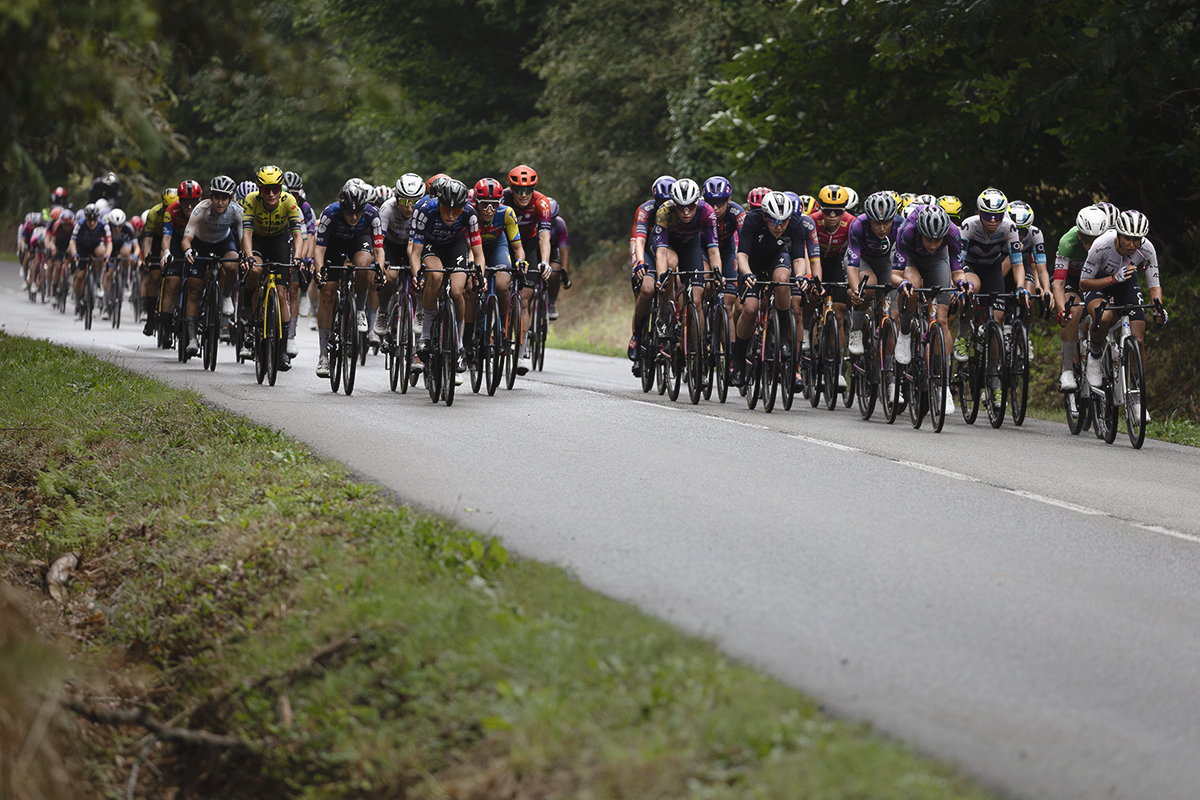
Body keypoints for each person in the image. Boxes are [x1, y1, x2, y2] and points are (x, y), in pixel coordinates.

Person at [1081, 211, 1166, 409]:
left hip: (1127, 282)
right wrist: (1112, 279)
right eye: (1127, 238)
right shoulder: (1101, 245)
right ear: (1118, 235)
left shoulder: (1147, 249)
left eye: (1137, 239)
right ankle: (1094, 355)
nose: (1132, 244)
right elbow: (1084, 283)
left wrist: (1158, 307)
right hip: (1099, 283)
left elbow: (1154, 284)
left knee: (1138, 339)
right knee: (1104, 317)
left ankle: (1137, 397)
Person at [730, 191, 813, 387]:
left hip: (777, 258)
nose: (779, 227)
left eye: (783, 222)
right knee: (749, 309)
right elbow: (741, 254)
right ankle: (739, 362)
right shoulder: (751, 220)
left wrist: (801, 276)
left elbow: (799, 258)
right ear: (765, 216)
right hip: (753, 264)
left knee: (783, 280)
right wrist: (748, 274)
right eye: (774, 221)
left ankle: (783, 337)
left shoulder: (795, 223)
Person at [407, 178, 485, 377]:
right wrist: (417, 275)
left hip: (455, 246)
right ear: (439, 204)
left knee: (458, 291)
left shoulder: (470, 213)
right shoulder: (424, 209)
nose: (451, 215)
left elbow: (478, 254)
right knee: (435, 275)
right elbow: (415, 252)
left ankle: (458, 346)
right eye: (447, 210)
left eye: (456, 211)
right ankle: (425, 336)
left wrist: (480, 276)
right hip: (431, 245)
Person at [315, 181, 387, 378]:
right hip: (334, 245)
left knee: (365, 263)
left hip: (358, 241)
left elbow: (379, 249)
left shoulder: (372, 214)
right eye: (349, 213)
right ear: (341, 207)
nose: (354, 217)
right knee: (328, 294)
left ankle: (360, 309)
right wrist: (319, 270)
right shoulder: (330, 214)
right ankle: (323, 355)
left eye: (358, 213)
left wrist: (379, 268)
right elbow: (319, 249)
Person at [240, 165, 304, 363]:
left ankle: (282, 351)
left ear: (281, 187)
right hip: (258, 240)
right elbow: (247, 233)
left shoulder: (289, 200)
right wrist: (249, 256)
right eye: (265, 189)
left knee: (283, 292)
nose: (270, 193)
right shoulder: (251, 200)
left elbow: (297, 235)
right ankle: (249, 312)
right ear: (259, 187)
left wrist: (298, 257)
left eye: (275, 188)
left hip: (279, 242)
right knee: (255, 270)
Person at [179, 176, 242, 357]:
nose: (220, 202)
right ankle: (192, 338)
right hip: (201, 243)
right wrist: (189, 251)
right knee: (194, 289)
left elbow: (242, 238)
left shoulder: (237, 211)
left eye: (224, 198)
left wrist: (245, 254)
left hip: (224, 241)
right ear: (211, 196)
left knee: (232, 265)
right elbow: (186, 239)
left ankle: (226, 296)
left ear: (231, 198)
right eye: (216, 197)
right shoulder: (200, 210)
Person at [1052, 205, 1108, 391]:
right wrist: (1062, 311)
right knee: (1073, 310)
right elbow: (1058, 284)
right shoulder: (1067, 242)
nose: (1092, 246)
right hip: (1073, 279)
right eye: (1087, 240)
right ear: (1079, 236)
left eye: (1097, 240)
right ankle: (1067, 370)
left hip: (1095, 280)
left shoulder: (1111, 241)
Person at [844, 191, 902, 356]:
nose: (882, 228)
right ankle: (856, 329)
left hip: (886, 263)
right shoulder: (858, 225)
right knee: (868, 285)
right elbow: (853, 264)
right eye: (876, 223)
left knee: (894, 318)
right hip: (862, 260)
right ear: (869, 219)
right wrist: (857, 290)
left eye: (887, 223)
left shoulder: (901, 225)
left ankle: (888, 373)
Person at [628, 176, 676, 372]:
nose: (664, 206)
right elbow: (637, 241)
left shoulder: (682, 211)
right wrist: (638, 261)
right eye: (660, 203)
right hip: (647, 251)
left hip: (670, 251)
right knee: (647, 290)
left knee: (678, 284)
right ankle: (637, 336)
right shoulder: (645, 210)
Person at [67, 204, 112, 318]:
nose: (92, 223)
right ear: (85, 218)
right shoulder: (80, 224)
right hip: (82, 249)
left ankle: (98, 282)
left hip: (96, 247)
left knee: (101, 252)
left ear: (98, 218)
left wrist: (107, 255)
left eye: (94, 220)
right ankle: (77, 304)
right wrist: (75, 254)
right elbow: (72, 241)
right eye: (89, 220)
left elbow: (109, 243)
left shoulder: (103, 225)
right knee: (80, 275)